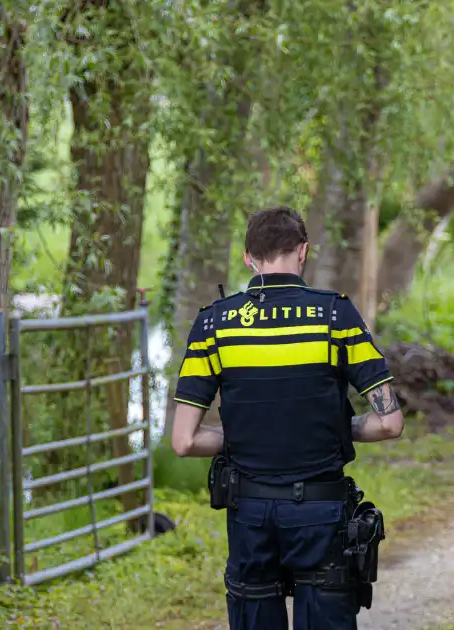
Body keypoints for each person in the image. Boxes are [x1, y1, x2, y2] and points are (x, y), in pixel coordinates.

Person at [169, 205, 405, 630]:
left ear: (248, 257)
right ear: (303, 252)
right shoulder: (336, 316)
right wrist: (333, 428)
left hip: (250, 515)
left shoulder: (213, 325)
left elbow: (184, 441)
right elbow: (390, 422)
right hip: (320, 513)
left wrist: (249, 434)